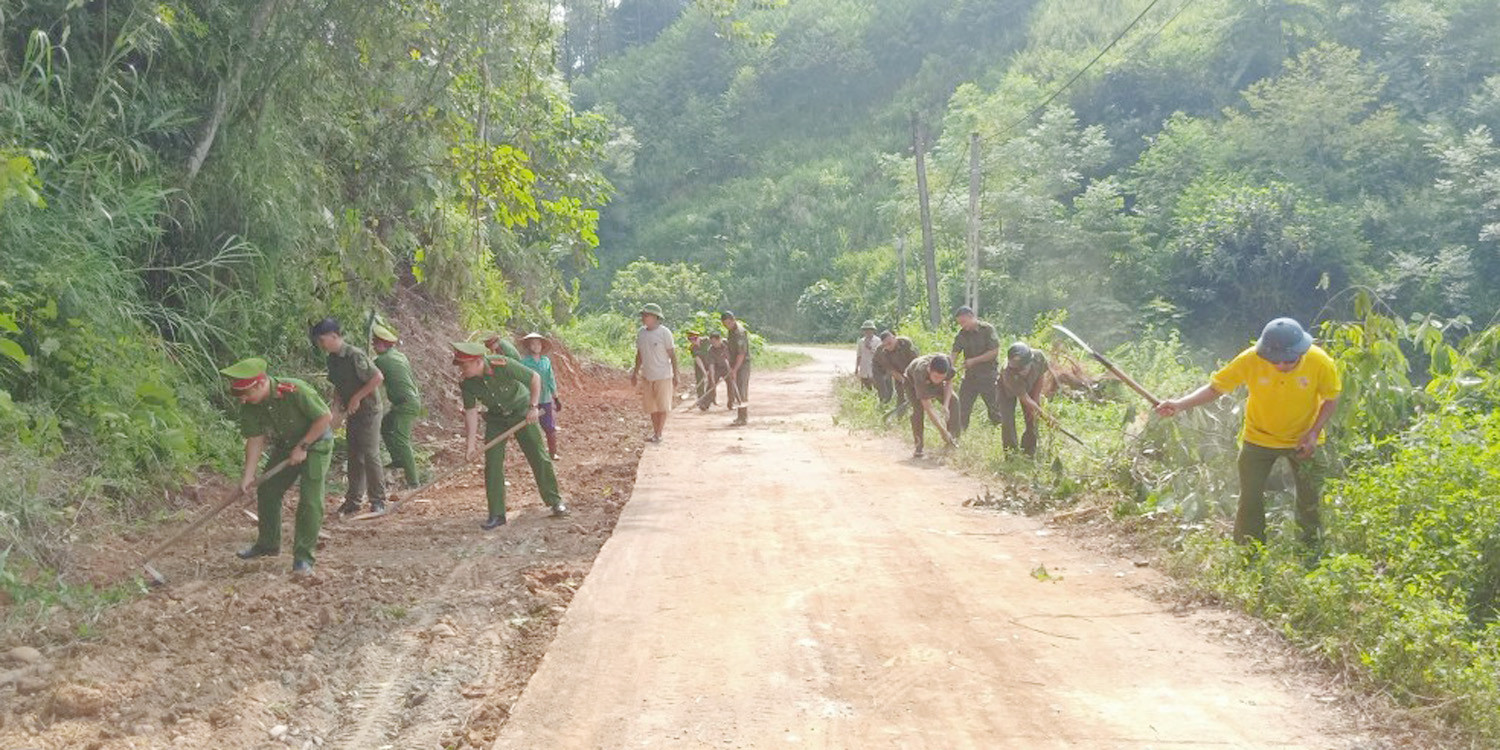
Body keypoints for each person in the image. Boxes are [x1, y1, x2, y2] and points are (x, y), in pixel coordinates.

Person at [1155, 318, 1341, 546]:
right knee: (1250, 498)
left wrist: (1313, 433)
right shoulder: (1250, 359)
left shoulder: (1320, 362)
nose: (1282, 365)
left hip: (1304, 440)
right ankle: (1248, 550)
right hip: (1258, 438)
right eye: (1275, 360)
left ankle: (1310, 550)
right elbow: (1216, 388)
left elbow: (1331, 398)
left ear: (1301, 351)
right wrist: (1180, 404)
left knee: (1310, 498)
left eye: (1289, 360)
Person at [221, 357, 333, 575]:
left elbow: (324, 417)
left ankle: (303, 558)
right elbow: (255, 439)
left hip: (316, 444)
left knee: (310, 500)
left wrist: (303, 446)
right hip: (287, 445)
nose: (243, 400)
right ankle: (268, 544)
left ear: (261, 383)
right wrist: (248, 476)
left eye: (246, 394)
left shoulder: (295, 390)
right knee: (268, 489)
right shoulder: (251, 405)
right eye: (239, 396)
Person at [453, 341, 567, 529]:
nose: (462, 371)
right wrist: (470, 446)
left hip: (522, 413)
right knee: (493, 463)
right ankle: (497, 514)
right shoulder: (467, 383)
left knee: (538, 456)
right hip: (496, 419)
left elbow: (534, 378)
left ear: (478, 361)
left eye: (464, 366)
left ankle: (555, 501)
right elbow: (471, 412)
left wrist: (533, 407)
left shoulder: (501, 364)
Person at [311, 318, 387, 516]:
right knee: (354, 455)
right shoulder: (332, 359)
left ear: (334, 336)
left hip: (369, 411)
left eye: (322, 340)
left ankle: (378, 500)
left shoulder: (354, 355)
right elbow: (338, 386)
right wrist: (336, 410)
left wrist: (357, 398)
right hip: (351, 411)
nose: (321, 344)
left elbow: (377, 377)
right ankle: (353, 501)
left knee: (370, 453)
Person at [372, 324, 423, 488]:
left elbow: (369, 378)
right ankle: (398, 460)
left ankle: (413, 481)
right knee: (386, 426)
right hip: (409, 401)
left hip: (405, 404)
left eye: (375, 343)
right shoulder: (400, 356)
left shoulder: (382, 360)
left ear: (383, 344)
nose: (373, 346)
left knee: (402, 440)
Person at [949, 306, 1002, 437]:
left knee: (995, 410)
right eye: (960, 323)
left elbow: (994, 352)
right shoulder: (961, 335)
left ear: (971, 316)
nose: (962, 326)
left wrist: (974, 361)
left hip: (988, 376)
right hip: (970, 377)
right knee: (962, 409)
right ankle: (957, 437)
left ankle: (1001, 438)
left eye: (964, 322)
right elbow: (954, 353)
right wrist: (949, 369)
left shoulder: (987, 330)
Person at [631, 303, 679, 443]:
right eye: (643, 315)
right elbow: (639, 354)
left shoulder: (664, 333)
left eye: (646, 315)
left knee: (662, 406)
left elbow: (672, 355)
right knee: (652, 407)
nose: (643, 318)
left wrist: (676, 374)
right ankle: (655, 432)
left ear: (655, 317)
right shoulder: (641, 333)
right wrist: (635, 372)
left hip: (663, 375)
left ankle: (658, 433)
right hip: (647, 375)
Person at [998, 342, 1049, 456]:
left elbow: (1040, 376)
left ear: (1030, 362)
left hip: (1029, 384)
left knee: (1032, 418)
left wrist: (1036, 400)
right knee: (1007, 420)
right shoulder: (1008, 372)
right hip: (1005, 389)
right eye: (1016, 369)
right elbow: (1024, 398)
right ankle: (1011, 453)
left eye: (1022, 368)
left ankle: (1029, 451)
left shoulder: (1039, 357)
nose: (1019, 372)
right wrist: (1046, 416)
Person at [519, 332, 562, 460]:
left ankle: (553, 453)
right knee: (531, 428)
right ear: (529, 346)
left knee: (549, 426)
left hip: (545, 398)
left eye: (538, 344)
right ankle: (535, 455)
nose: (536, 346)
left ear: (542, 346)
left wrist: (556, 397)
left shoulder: (545, 361)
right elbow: (521, 380)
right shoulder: (524, 362)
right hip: (530, 399)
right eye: (533, 344)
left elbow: (550, 379)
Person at [904, 354, 955, 459]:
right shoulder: (920, 372)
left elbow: (948, 383)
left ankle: (953, 439)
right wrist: (942, 431)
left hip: (931, 381)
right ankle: (919, 446)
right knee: (918, 411)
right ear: (929, 369)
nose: (939, 380)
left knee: (954, 401)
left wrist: (946, 405)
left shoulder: (948, 365)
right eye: (936, 377)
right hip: (912, 383)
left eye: (942, 377)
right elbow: (928, 407)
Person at [873, 330, 919, 412]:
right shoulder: (881, 352)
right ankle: (887, 409)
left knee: (915, 389)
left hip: (907, 366)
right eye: (885, 345)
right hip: (879, 368)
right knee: (890, 391)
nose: (888, 347)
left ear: (894, 338)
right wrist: (904, 381)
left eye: (890, 343)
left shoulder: (906, 343)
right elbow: (892, 371)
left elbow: (915, 362)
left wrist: (913, 380)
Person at [722, 311, 751, 426]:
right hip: (734, 362)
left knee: (741, 389)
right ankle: (740, 416)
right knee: (737, 389)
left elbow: (741, 354)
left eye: (729, 323)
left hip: (742, 364)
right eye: (725, 324)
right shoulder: (731, 331)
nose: (727, 326)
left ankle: (743, 417)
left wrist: (734, 370)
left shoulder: (740, 332)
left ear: (733, 320)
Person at [686, 330, 712, 406]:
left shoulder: (707, 341)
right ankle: (701, 400)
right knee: (700, 382)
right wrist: (704, 372)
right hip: (700, 366)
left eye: (694, 339)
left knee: (711, 381)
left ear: (698, 337)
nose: (693, 341)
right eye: (690, 339)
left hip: (710, 363)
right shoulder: (692, 348)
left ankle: (709, 399)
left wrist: (711, 367)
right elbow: (698, 359)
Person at [707, 332, 731, 410]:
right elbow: (711, 365)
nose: (713, 344)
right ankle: (705, 403)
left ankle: (731, 403)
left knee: (731, 384)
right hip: (717, 368)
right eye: (711, 342)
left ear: (719, 340)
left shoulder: (728, 344)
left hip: (728, 367)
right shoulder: (711, 350)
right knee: (711, 384)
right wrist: (713, 380)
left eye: (714, 342)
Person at [855, 320, 879, 389]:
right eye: (865, 330)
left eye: (869, 330)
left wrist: (870, 347)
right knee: (865, 387)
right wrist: (856, 367)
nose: (867, 332)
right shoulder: (861, 341)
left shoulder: (878, 341)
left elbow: (879, 354)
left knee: (875, 386)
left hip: (874, 368)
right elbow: (859, 355)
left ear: (873, 330)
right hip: (864, 368)